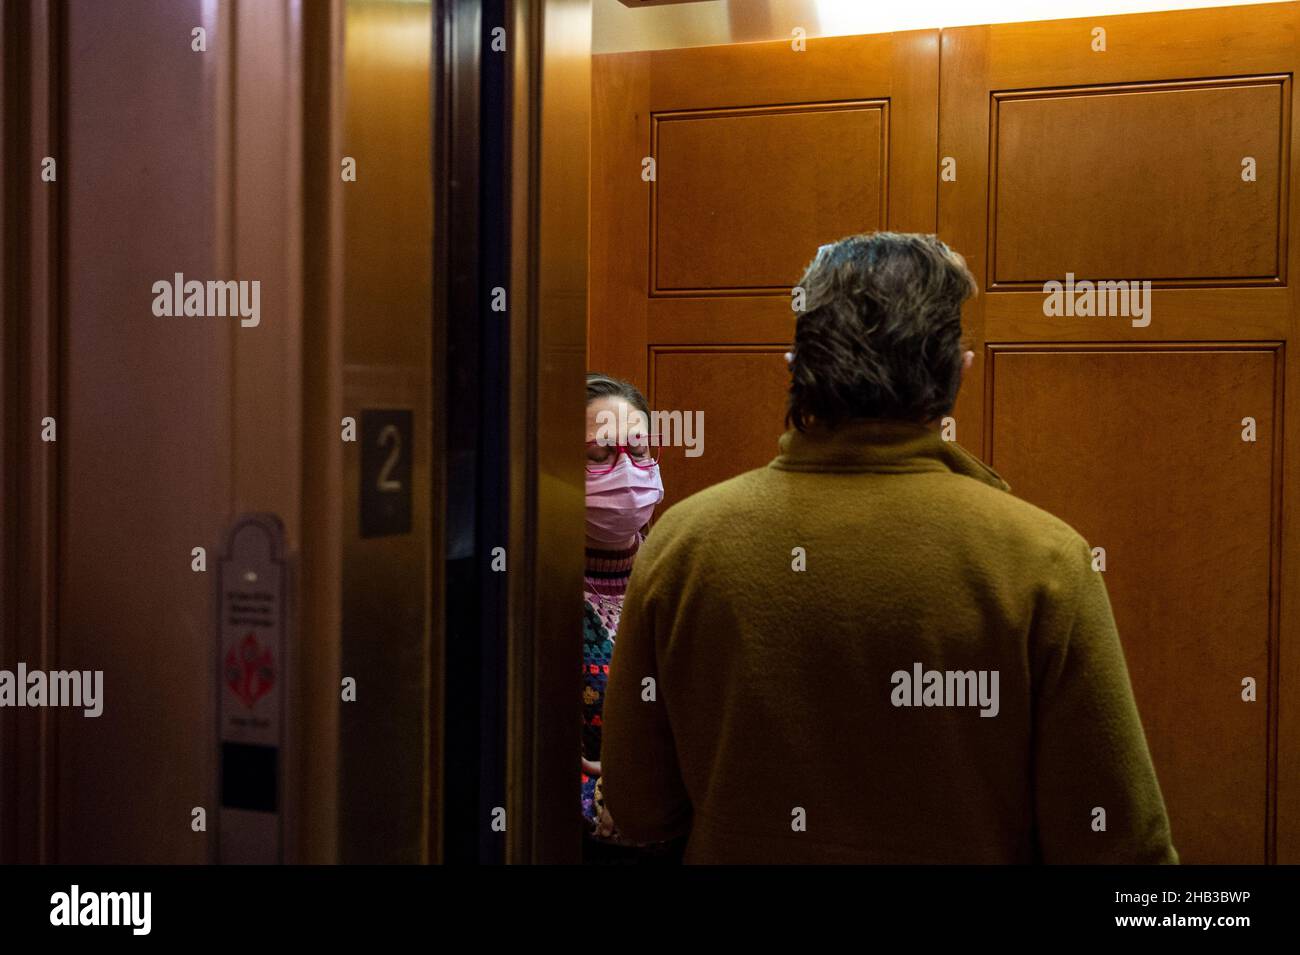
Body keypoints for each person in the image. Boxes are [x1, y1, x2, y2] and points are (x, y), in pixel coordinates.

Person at [599, 231, 1178, 864]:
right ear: (959, 369)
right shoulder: (1043, 560)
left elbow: (637, 806)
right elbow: (1119, 846)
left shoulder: (681, 544)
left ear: (795, 369)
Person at [580, 373, 681, 863]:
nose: (626, 470)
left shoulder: (679, 576)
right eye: (598, 455)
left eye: (639, 452)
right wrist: (599, 799)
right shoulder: (522, 596)